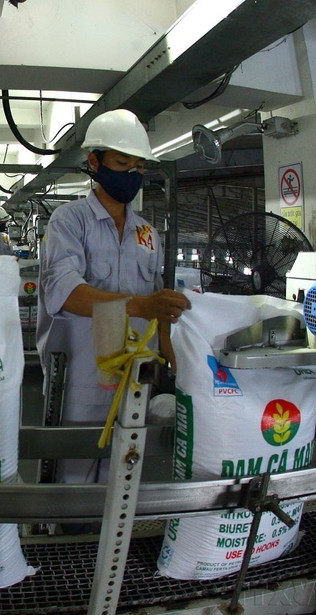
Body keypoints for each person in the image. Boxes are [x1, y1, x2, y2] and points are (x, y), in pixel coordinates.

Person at [36, 109, 191, 485]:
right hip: (80, 379)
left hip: (135, 380)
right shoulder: (69, 221)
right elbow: (65, 293)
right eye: (122, 163)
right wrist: (141, 306)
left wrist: (168, 339)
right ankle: (69, 541)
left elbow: (155, 296)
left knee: (123, 478)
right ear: (95, 162)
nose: (132, 175)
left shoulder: (147, 234)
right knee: (72, 480)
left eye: (139, 167)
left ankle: (108, 543)